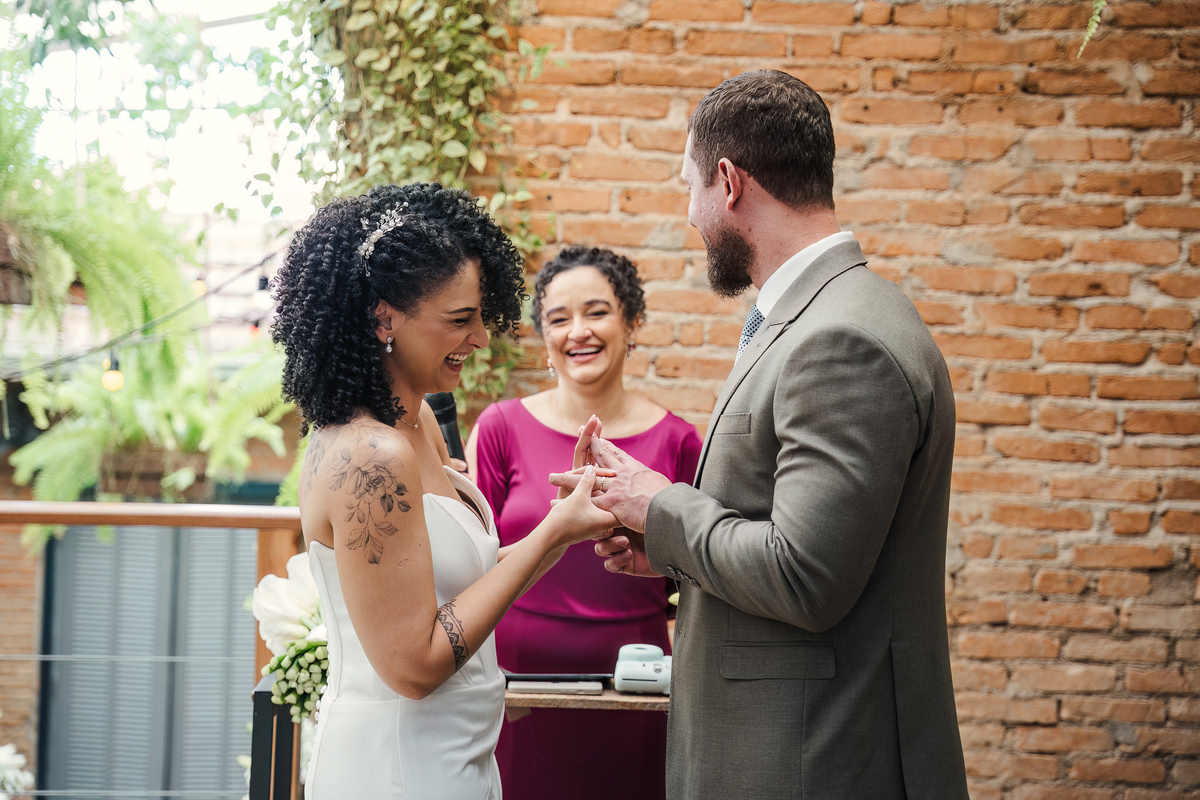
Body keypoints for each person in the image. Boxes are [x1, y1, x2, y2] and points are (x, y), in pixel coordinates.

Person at [553, 71, 969, 798]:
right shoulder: (809, 317)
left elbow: (807, 577)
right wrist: (669, 552)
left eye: (690, 188)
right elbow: (790, 534)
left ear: (729, 181)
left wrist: (661, 506)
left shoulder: (841, 339)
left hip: (809, 761)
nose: (690, 214)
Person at [271, 183, 616, 799]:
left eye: (481, 315)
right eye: (460, 319)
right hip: (397, 766)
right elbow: (415, 665)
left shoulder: (419, 421)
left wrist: (565, 526)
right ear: (384, 318)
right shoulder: (366, 457)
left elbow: (466, 586)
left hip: (459, 759)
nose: (481, 337)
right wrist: (552, 532)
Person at [466, 246, 702, 800]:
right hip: (514, 687)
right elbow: (470, 562)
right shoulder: (499, 428)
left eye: (596, 312)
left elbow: (697, 574)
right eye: (558, 318)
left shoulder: (679, 442)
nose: (578, 332)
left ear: (631, 323)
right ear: (544, 339)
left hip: (637, 684)